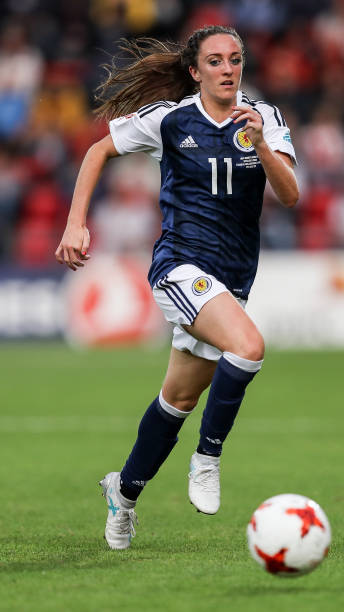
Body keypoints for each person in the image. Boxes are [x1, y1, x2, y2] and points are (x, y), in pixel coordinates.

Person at [55, 25, 299, 550]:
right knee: (249, 347)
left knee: (179, 399)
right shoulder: (168, 120)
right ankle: (207, 459)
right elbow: (98, 150)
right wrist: (75, 223)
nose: (228, 69)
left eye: (235, 59)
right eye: (215, 61)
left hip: (232, 279)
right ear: (195, 72)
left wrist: (260, 142)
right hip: (179, 267)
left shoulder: (265, 118)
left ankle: (123, 492)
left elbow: (291, 194)